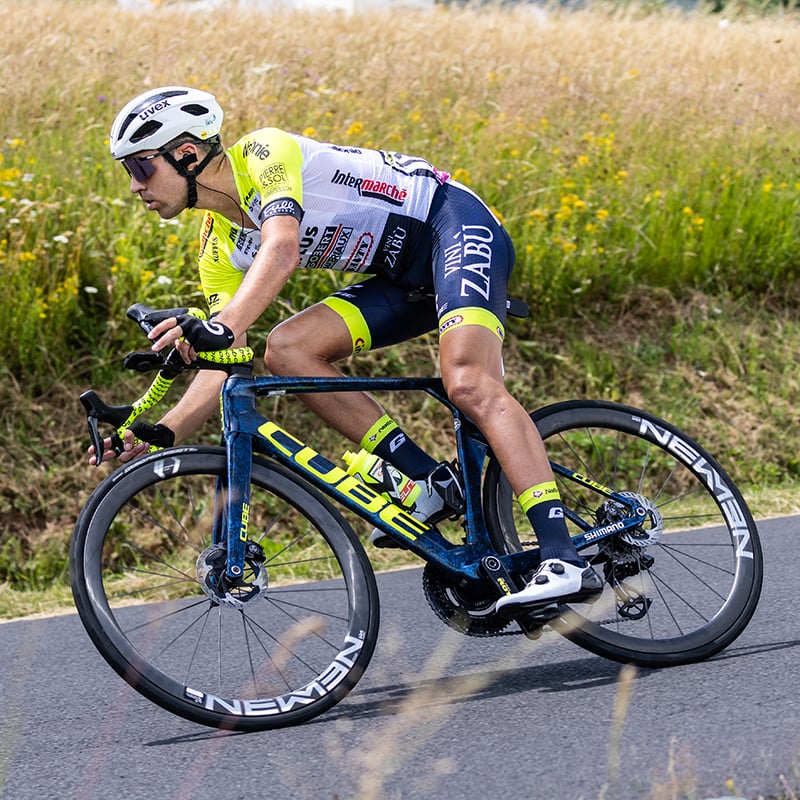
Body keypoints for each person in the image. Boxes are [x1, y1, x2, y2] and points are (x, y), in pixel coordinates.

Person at [94, 85, 602, 612]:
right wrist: (162, 431)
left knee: (469, 381)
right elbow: (230, 355)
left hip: (452, 224)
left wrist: (219, 326)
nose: (135, 186)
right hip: (402, 279)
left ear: (186, 153)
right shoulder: (218, 246)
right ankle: (433, 478)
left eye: (140, 167)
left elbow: (282, 246)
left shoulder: (264, 154)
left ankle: (564, 557)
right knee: (285, 350)